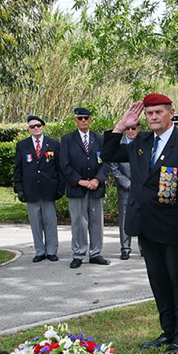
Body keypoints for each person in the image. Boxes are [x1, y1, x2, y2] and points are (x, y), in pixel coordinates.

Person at [103, 93, 178, 354]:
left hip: (173, 227)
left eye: (158, 112)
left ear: (171, 112)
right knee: (157, 279)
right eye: (149, 113)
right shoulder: (141, 141)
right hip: (145, 224)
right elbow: (108, 152)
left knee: (177, 278)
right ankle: (167, 330)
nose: (153, 117)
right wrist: (120, 127)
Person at [60, 107, 110, 268]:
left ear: (90, 120)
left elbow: (107, 162)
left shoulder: (99, 139)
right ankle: (79, 254)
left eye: (86, 118)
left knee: (96, 222)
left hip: (95, 187)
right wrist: (80, 181)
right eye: (80, 118)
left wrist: (97, 179)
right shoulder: (67, 139)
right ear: (75, 120)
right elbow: (64, 165)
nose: (83, 121)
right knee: (78, 222)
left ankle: (95, 253)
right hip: (77, 188)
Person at [13, 116, 63, 262]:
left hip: (49, 189)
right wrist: (19, 189)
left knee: (50, 223)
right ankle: (39, 251)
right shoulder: (22, 145)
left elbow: (59, 168)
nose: (36, 128)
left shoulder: (53, 144)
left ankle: (52, 250)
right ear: (29, 129)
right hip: (31, 190)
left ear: (43, 126)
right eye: (33, 126)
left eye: (38, 125)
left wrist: (60, 188)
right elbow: (18, 169)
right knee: (35, 223)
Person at [107, 122, 137, 260]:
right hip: (125, 189)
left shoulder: (145, 143)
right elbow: (114, 168)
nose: (130, 131)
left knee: (144, 218)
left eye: (133, 128)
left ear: (139, 129)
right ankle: (125, 248)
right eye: (127, 128)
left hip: (142, 189)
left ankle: (144, 248)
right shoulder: (118, 145)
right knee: (124, 219)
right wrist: (127, 183)